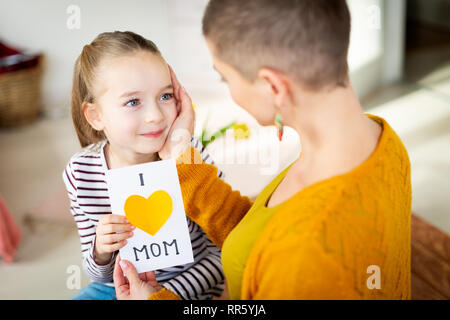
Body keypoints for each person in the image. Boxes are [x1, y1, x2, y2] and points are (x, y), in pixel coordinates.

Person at [114, 0, 411, 300]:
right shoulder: (381, 140)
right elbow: (261, 239)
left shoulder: (305, 253)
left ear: (273, 87)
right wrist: (182, 157)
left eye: (225, 77)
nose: (229, 89)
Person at [62, 31, 232, 300]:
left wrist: (162, 294)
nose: (155, 116)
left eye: (165, 96)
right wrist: (101, 249)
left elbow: (225, 249)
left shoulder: (188, 154)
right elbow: (98, 275)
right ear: (96, 116)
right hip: (116, 290)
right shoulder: (81, 173)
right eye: (133, 102)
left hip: (188, 288)